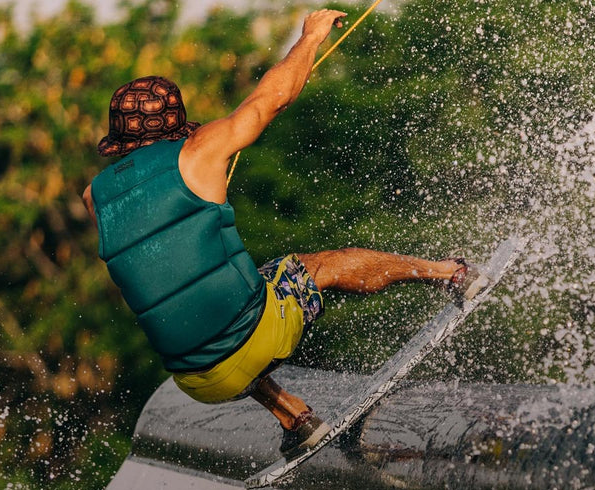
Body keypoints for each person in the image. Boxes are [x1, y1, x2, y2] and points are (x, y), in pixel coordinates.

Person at [84, 9, 487, 458]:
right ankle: (452, 274)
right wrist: (310, 38)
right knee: (317, 267)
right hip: (254, 337)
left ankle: (295, 418)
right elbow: (271, 98)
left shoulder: (93, 197)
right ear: (178, 127)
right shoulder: (198, 150)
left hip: (195, 379)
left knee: (233, 299)